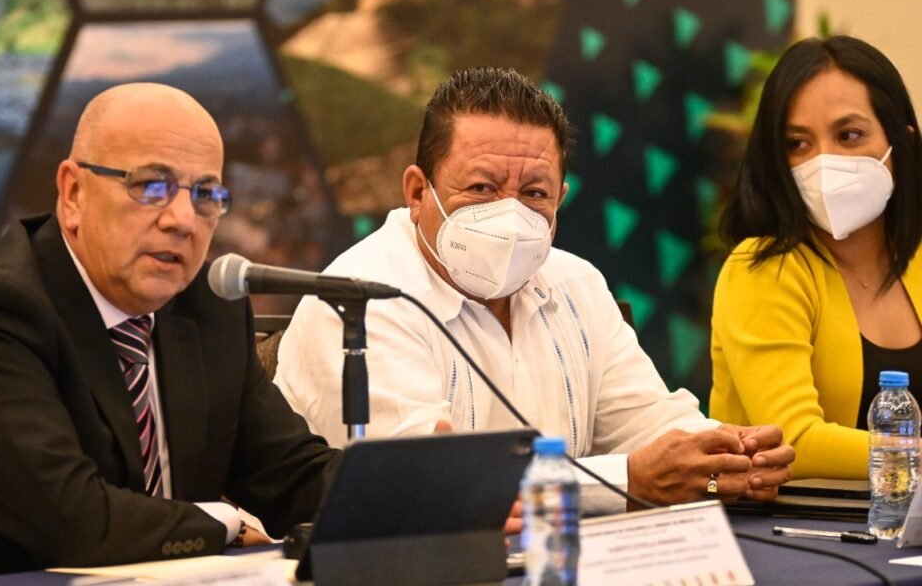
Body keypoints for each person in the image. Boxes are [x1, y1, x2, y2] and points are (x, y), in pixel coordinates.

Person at [275, 66, 793, 515]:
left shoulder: (576, 285)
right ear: (417, 192)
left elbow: (650, 427)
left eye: (534, 193)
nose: (510, 214)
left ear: (560, 199)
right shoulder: (359, 300)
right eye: (481, 188)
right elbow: (430, 485)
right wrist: (628, 480)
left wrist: (728, 457)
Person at [0, 83, 340, 584]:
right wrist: (224, 523)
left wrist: (402, 491)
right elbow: (74, 521)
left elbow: (289, 475)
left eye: (205, 195)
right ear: (73, 193)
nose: (182, 220)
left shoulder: (209, 309)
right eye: (151, 185)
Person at [710, 35, 922, 480]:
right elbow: (795, 441)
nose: (824, 161)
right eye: (797, 143)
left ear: (901, 145)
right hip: (794, 519)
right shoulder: (762, 268)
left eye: (848, 135)